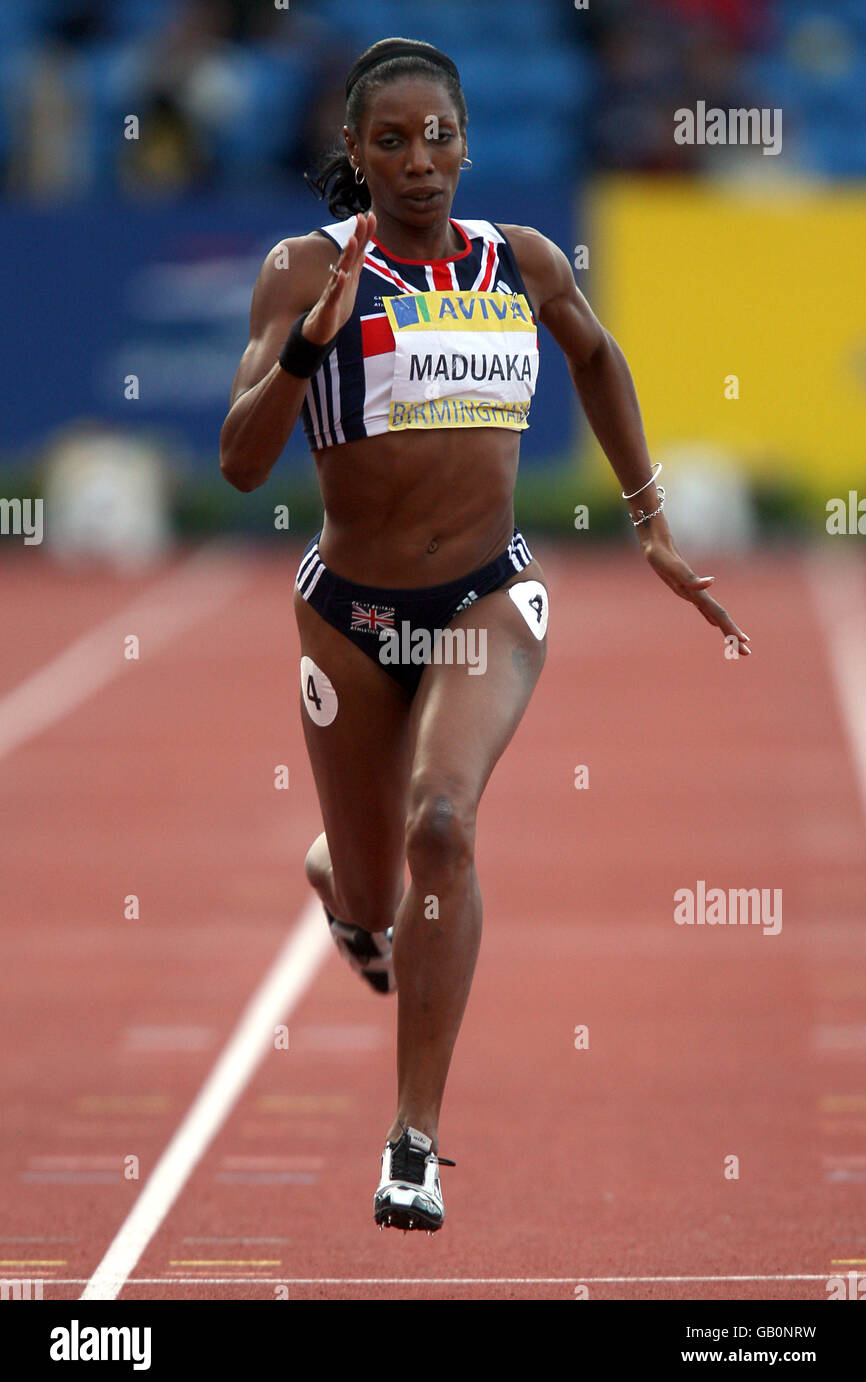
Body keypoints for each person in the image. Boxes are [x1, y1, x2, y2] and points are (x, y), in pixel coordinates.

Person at [219, 37, 751, 1234]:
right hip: (348, 616)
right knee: (365, 888)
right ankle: (337, 881)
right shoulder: (302, 268)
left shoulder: (519, 260)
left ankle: (411, 1141)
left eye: (439, 137)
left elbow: (599, 356)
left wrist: (650, 524)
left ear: (467, 140)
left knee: (441, 829)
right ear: (353, 153)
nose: (420, 163)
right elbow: (239, 466)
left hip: (483, 600)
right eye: (392, 142)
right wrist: (312, 339)